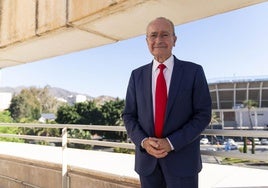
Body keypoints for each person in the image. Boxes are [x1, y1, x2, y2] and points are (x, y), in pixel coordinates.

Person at [122, 17, 212, 188]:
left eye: (164, 35)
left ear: (174, 40)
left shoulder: (194, 72)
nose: (158, 40)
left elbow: (203, 114)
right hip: (147, 164)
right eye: (153, 35)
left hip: (183, 163)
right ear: (147, 41)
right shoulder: (136, 75)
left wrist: (171, 143)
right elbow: (129, 115)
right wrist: (143, 142)